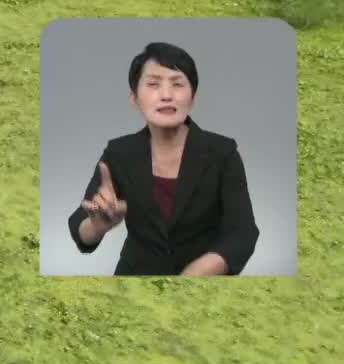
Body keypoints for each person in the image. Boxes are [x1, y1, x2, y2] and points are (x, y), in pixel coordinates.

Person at [68, 41, 259, 275]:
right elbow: (79, 225)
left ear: (193, 97)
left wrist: (202, 269)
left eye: (178, 84)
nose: (167, 95)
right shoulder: (119, 153)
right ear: (135, 99)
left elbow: (243, 232)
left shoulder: (223, 152)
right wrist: (96, 227)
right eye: (153, 84)